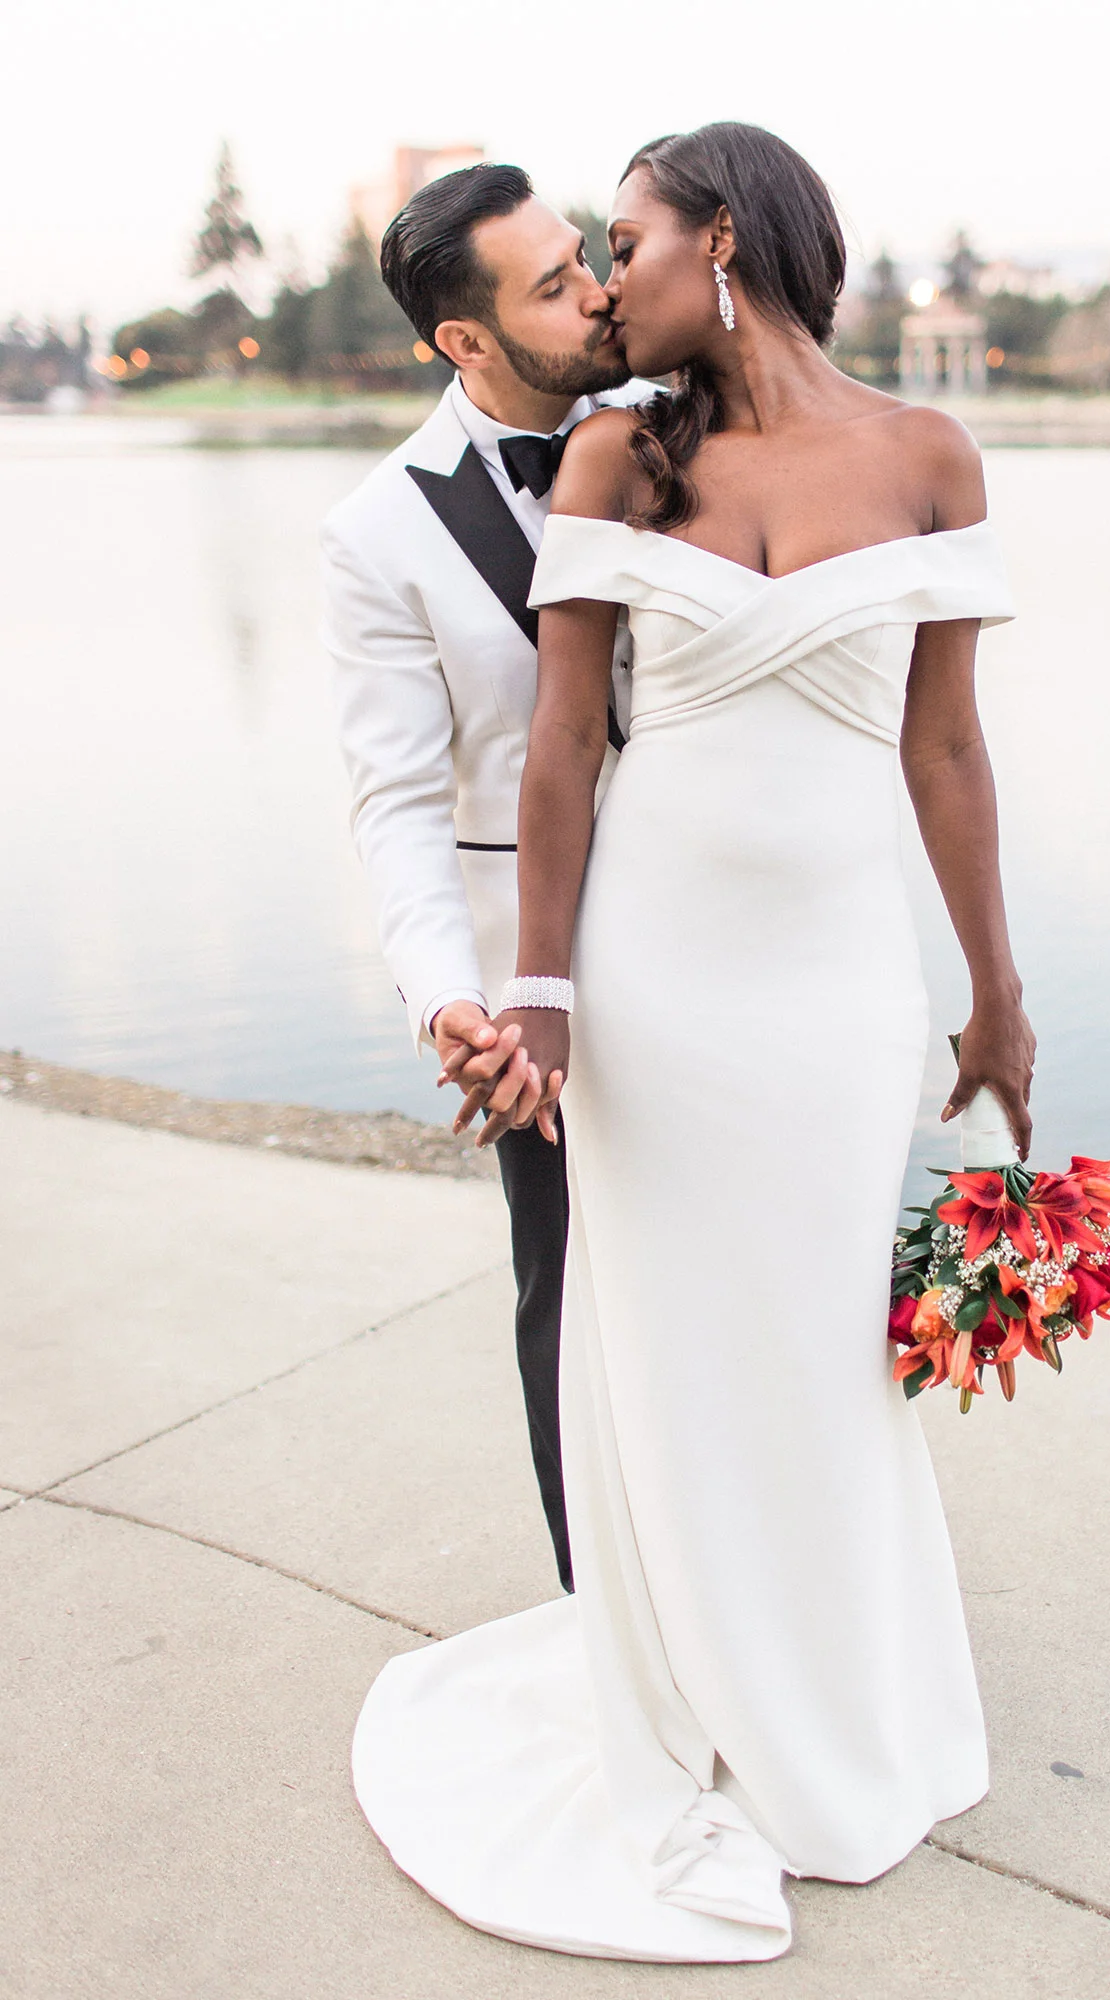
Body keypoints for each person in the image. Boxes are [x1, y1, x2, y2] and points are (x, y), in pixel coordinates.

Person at [351, 123, 1035, 1963]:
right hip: (654, 982)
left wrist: (999, 985)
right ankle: (695, 1706)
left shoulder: (929, 454)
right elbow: (561, 749)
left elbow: (945, 749)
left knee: (821, 1345)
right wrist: (546, 996)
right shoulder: (615, 454)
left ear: (719, 241)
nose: (605, 281)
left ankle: (835, 1695)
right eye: (580, 260)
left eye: (625, 241)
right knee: (661, 1347)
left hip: (835, 988)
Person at [320, 165, 659, 1593]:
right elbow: (396, 805)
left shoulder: (682, 434)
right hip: (537, 985)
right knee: (571, 1298)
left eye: (586, 257)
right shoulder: (379, 533)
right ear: (464, 341)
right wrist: (453, 1004)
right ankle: (615, 1633)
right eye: (552, 283)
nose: (597, 291)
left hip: (722, 939)